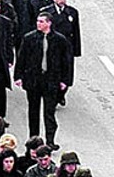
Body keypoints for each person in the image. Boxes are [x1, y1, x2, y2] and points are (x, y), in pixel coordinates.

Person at [14, 11, 73, 146]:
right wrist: (18, 76)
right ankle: (34, 139)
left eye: (41, 21)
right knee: (33, 111)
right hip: (34, 80)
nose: (38, 24)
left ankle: (50, 141)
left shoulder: (60, 40)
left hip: (51, 81)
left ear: (49, 23)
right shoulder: (29, 38)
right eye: (38, 21)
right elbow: (22, 58)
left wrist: (65, 80)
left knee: (49, 112)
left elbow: (66, 62)